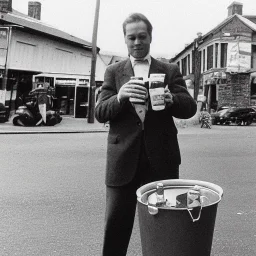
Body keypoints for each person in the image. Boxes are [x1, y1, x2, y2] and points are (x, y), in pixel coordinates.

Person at [95, 13, 197, 256]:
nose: (137, 42)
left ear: (150, 37)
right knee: (117, 227)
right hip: (123, 162)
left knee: (164, 226)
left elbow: (189, 107)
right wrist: (119, 97)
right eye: (132, 38)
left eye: (142, 36)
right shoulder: (113, 71)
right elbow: (100, 112)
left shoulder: (169, 69)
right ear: (125, 40)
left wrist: (172, 100)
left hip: (161, 159)